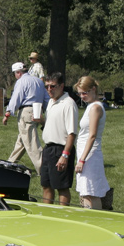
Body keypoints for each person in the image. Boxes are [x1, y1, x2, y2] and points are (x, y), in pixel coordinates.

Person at [72, 76, 110, 209]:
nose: (82, 96)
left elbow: (92, 135)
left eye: (84, 93)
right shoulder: (90, 106)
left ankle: (95, 220)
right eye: (79, 93)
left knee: (91, 193)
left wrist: (82, 160)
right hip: (84, 152)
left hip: (90, 155)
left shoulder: (95, 108)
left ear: (93, 89)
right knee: (85, 192)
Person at [40, 72, 77, 205]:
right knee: (46, 185)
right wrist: (41, 120)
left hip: (61, 149)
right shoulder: (50, 102)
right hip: (48, 149)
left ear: (61, 86)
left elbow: (72, 133)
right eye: (47, 86)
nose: (49, 89)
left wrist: (65, 155)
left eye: (53, 86)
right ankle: (47, 216)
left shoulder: (68, 104)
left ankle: (63, 215)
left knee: (62, 187)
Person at [3, 61, 48, 174]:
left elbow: (16, 98)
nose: (15, 76)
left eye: (15, 73)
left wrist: (8, 112)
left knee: (31, 143)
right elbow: (46, 98)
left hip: (26, 111)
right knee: (23, 141)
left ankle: (43, 170)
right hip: (38, 110)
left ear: (18, 73)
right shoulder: (38, 81)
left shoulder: (21, 81)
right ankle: (10, 164)